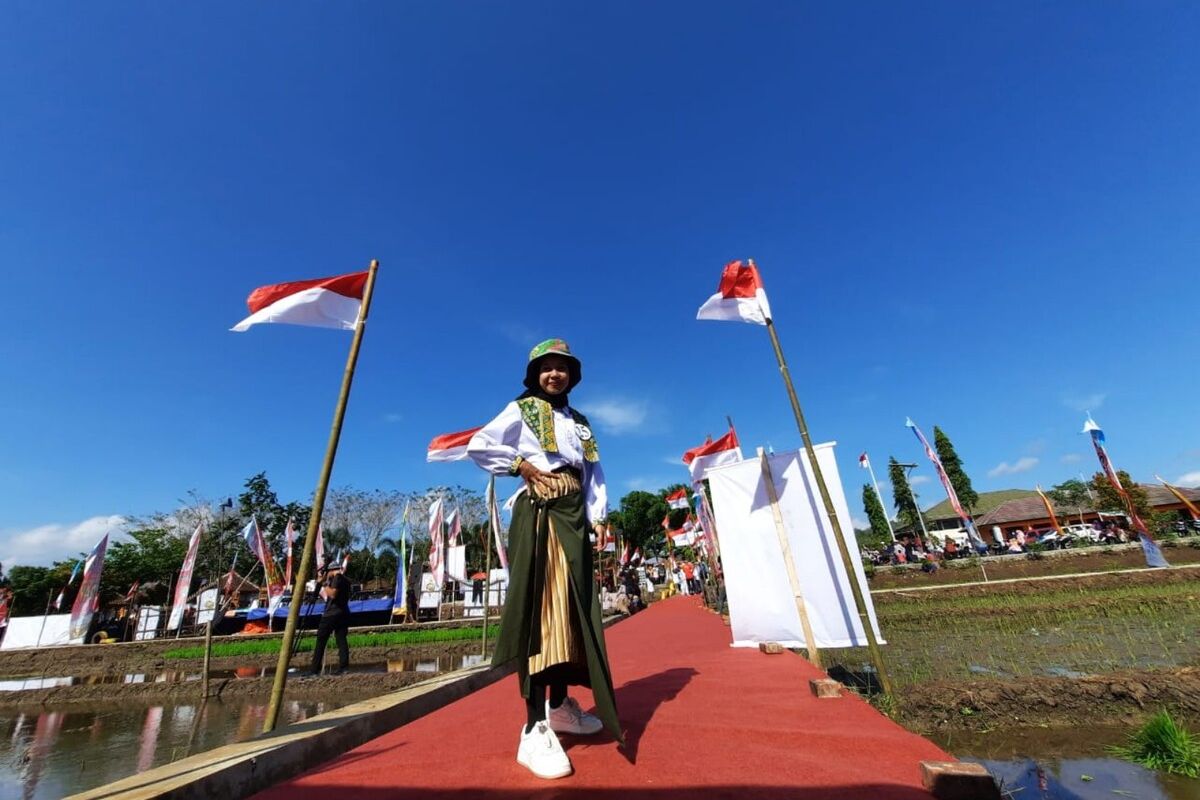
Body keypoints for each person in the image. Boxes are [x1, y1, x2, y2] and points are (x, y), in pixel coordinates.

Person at [467, 338, 621, 780]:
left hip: (574, 516)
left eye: (562, 367)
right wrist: (521, 465)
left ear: (573, 374)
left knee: (572, 616)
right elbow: (480, 445)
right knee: (542, 614)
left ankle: (558, 706)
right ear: (534, 374)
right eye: (546, 367)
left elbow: (593, 475)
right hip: (542, 512)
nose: (555, 374)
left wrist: (598, 518)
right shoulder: (521, 409)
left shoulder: (581, 423)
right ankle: (532, 727)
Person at [308, 563, 352, 676]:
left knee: (321, 641)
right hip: (343, 612)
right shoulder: (346, 580)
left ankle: (314, 670)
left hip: (331, 614)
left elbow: (332, 594)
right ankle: (344, 667)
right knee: (341, 640)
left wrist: (323, 583)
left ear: (331, 570)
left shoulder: (337, 578)